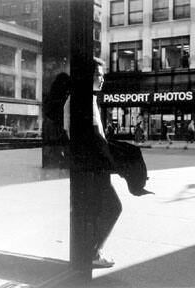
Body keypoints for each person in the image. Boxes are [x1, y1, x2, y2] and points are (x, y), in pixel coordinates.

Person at [63, 58, 122, 268]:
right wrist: (117, 161)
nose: (102, 78)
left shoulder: (80, 99)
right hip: (93, 167)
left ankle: (90, 251)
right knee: (114, 207)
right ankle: (92, 253)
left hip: (88, 166)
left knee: (98, 209)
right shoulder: (84, 100)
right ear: (87, 77)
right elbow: (96, 136)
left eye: (103, 74)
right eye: (98, 74)